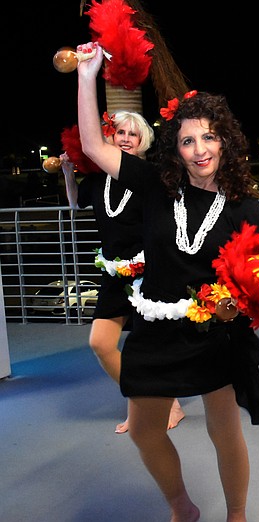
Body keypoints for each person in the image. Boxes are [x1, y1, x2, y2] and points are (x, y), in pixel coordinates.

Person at [76, 41, 259, 522]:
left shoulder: (245, 206)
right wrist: (87, 76)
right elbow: (93, 147)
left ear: (225, 139)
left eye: (208, 138)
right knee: (145, 429)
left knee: (224, 430)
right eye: (187, 141)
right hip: (155, 329)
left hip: (212, 334)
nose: (199, 150)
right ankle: (183, 506)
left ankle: (237, 515)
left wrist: (236, 304)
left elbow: (254, 279)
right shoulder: (156, 186)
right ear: (175, 148)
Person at [60, 112, 184, 434]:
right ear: (111, 137)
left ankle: (162, 405)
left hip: (149, 272)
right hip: (114, 273)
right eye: (121, 133)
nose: (127, 138)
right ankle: (146, 401)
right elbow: (76, 205)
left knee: (147, 348)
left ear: (144, 142)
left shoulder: (149, 178)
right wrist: (68, 173)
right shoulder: (99, 177)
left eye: (134, 134)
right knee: (101, 343)